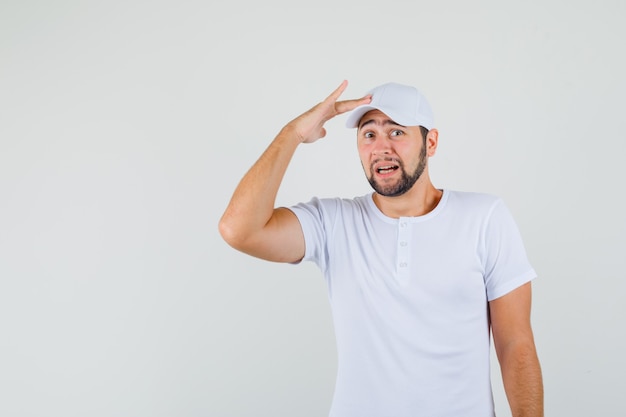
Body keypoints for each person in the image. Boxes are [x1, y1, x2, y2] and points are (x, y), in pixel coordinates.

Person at [218, 80, 544, 417]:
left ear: (430, 142)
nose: (380, 147)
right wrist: (293, 133)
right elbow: (239, 229)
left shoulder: (485, 217)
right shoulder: (333, 223)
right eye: (368, 134)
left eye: (397, 132)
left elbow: (515, 345)